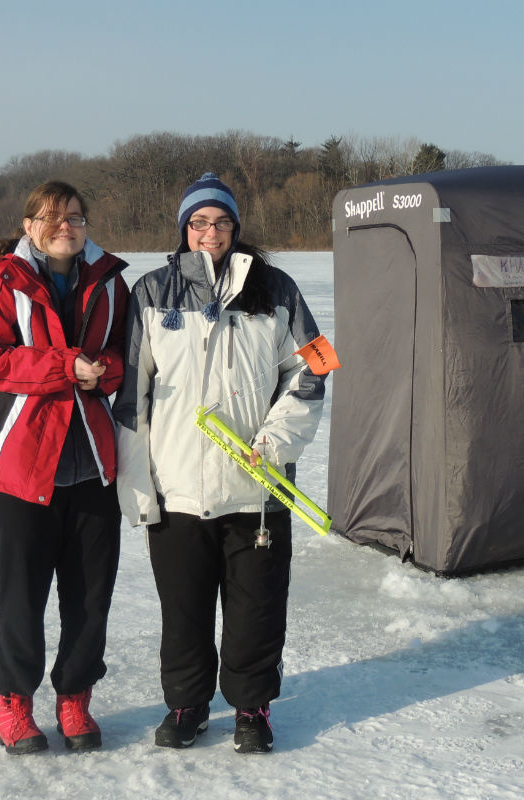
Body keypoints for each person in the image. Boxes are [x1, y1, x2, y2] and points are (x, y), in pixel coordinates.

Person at [113, 173, 325, 754]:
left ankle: (252, 708)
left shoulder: (276, 289)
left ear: (236, 228)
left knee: (256, 610)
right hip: (178, 490)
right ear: (184, 230)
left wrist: (275, 445)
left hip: (257, 490)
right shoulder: (152, 293)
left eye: (222, 222)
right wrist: (139, 490)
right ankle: (187, 705)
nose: (211, 233)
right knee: (183, 612)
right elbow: (133, 397)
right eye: (199, 223)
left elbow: (310, 372)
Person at [0, 181, 130, 755]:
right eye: (52, 218)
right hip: (22, 469)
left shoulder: (108, 281)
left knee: (90, 596)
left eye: (75, 217)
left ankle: (75, 698)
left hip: (92, 467)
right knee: (21, 596)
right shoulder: (0, 280)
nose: (65, 227)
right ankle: (13, 702)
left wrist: (102, 369)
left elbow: (126, 357)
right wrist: (65, 366)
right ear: (29, 225)